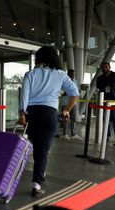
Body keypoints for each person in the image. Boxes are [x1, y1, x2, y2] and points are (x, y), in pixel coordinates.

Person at [18, 46, 79, 197]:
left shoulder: (30, 74)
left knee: (38, 147)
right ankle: (36, 185)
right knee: (43, 149)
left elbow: (24, 97)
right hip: (49, 114)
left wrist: (22, 115)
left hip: (32, 114)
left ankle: (41, 174)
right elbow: (75, 93)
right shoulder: (60, 74)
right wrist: (66, 110)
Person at [96, 62, 115, 147]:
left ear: (109, 67)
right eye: (103, 67)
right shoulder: (99, 78)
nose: (104, 68)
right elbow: (98, 89)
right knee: (104, 119)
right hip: (104, 102)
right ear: (101, 68)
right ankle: (106, 137)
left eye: (106, 67)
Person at [59, 69, 82, 140]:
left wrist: (75, 91)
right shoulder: (63, 80)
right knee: (65, 118)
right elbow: (61, 92)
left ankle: (73, 134)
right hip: (65, 103)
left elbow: (77, 91)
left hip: (73, 103)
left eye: (73, 74)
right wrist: (70, 91)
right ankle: (64, 134)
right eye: (71, 74)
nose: (73, 75)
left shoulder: (75, 81)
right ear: (67, 74)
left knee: (73, 119)